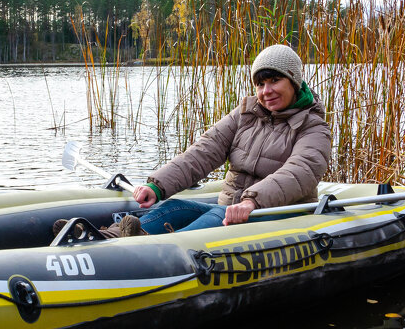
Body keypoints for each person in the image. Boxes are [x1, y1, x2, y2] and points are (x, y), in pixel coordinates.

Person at [123, 43, 331, 235]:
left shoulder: (314, 128)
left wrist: (252, 201)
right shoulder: (245, 115)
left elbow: (299, 172)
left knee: (216, 216)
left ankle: (152, 248)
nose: (267, 91)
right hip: (230, 208)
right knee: (173, 208)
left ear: (294, 81)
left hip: (281, 214)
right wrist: (158, 185)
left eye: (275, 81)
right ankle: (111, 237)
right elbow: (203, 151)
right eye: (260, 84)